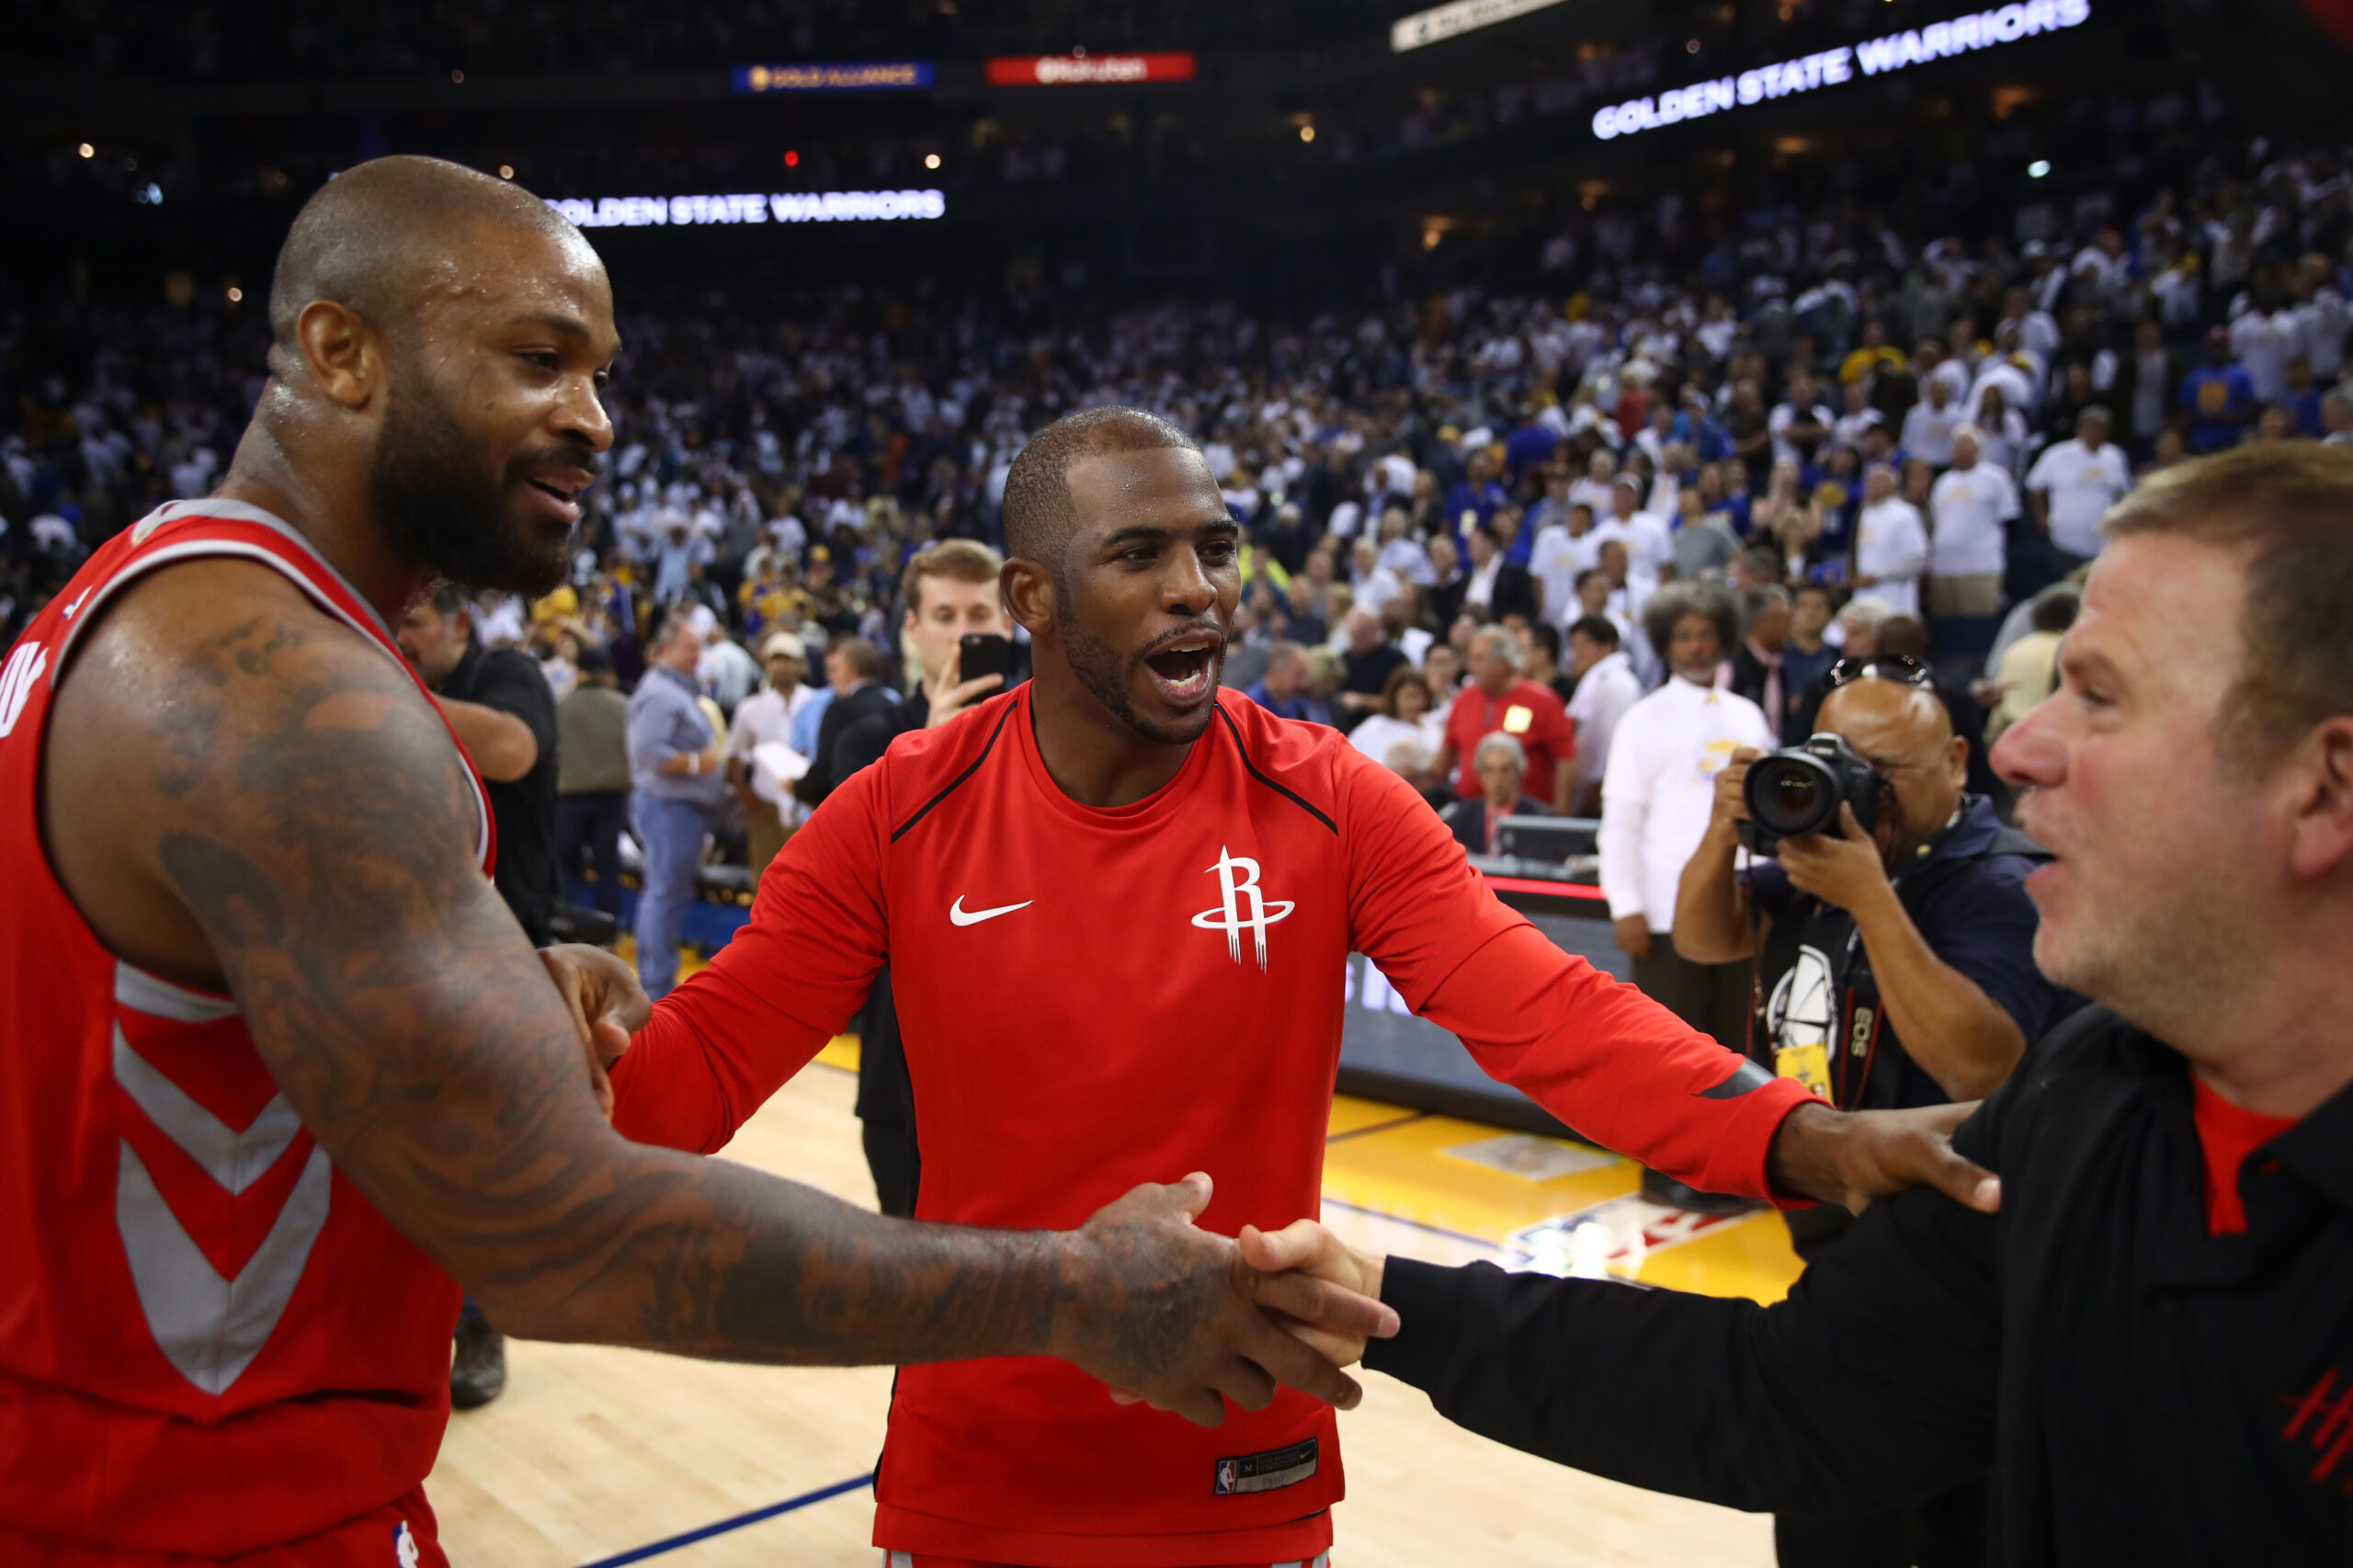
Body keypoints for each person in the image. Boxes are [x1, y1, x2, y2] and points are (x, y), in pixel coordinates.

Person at [0, 159, 1394, 1568]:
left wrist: (495, 1000)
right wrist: (1072, 1292)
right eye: (538, 360)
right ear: (339, 351)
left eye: (602, 372)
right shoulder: (273, 690)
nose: (594, 419)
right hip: (186, 1511)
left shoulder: (148, 606)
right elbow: (555, 1236)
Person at [560, 405, 1993, 1568]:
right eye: (1143, 554)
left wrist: (1798, 1134)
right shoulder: (898, 810)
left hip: (1243, 1460)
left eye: (1218, 547)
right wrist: (553, 1015)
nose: (1200, 586)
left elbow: (1545, 1009)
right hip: (976, 1472)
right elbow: (679, 1090)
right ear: (1033, 599)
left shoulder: (1325, 796)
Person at [1258, 442, 2353, 1568]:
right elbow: (1792, 1392)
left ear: (2322, 788)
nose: (2026, 748)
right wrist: (1384, 1298)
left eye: (2104, 698)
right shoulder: (2085, 1104)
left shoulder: (1992, 933)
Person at [1675, 655, 2076, 1565]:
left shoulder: (1998, 883)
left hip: (1972, 1295)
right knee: (1827, 1524)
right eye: (1844, 759)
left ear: (1958, 763)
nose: (1868, 790)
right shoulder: (1821, 859)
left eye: (1890, 768)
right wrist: (1721, 826)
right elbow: (1704, 934)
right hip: (1847, 1271)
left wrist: (1868, 894)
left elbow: (1986, 1060)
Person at [395, 580, 567, 1409]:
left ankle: (478, 1326)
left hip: (505, 944)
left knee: (476, 1158)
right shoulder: (396, 682)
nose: (403, 638)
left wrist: (374, 688)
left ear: (460, 623)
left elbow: (510, 751)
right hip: (416, 946)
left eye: (416, 624)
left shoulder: (506, 673)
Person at [1599, 582, 1776, 1055]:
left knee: (1740, 1048)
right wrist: (1625, 904)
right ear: (1664, 643)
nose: (1695, 646)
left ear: (1724, 639)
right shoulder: (1642, 718)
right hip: (1663, 909)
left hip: (1742, 903)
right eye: (1683, 636)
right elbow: (1620, 821)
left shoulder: (1748, 715)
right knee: (1672, 1050)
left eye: (1705, 634)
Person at [626, 611, 728, 1001]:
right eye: (689, 648)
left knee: (668, 892)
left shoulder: (674, 690)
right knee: (664, 893)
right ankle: (655, 986)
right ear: (666, 649)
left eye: (699, 648)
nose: (697, 656)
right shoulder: (658, 693)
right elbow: (648, 752)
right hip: (667, 806)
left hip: (678, 807)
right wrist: (698, 763)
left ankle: (657, 980)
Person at [1436, 625, 1576, 813]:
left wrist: (1561, 811)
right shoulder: (1463, 699)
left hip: (1526, 816)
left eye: (1479, 659)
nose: (1471, 666)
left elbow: (1565, 758)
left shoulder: (1543, 701)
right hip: (1471, 816)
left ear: (1502, 662)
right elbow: (1446, 755)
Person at [1927, 427, 2019, 667]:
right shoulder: (1943, 482)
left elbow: (2009, 519)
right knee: (1948, 627)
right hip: (1945, 566)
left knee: (1980, 624)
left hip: (1981, 564)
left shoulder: (1995, 477)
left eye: (1966, 445)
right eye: (1956, 445)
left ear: (1978, 449)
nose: (1960, 450)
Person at [725, 631, 813, 877]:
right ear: (767, 664)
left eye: (789, 660)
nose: (782, 666)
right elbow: (734, 756)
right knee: (766, 878)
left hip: (807, 806)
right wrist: (746, 797)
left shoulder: (816, 702)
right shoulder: (751, 708)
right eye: (776, 660)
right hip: (766, 806)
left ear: (801, 665)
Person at [555, 642, 631, 917]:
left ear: (579, 671)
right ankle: (609, 928)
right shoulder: (624, 706)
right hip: (612, 797)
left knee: (567, 866)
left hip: (569, 798)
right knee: (608, 867)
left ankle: (571, 926)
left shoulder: (561, 707)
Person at [2024, 405, 2132, 574]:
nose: (2097, 434)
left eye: (2102, 429)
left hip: (2102, 542)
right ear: (2080, 429)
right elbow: (2034, 486)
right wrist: (2042, 518)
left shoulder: (2115, 456)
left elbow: (2122, 492)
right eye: (2092, 428)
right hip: (2066, 540)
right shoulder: (2058, 454)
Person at [1563, 614, 1640, 815]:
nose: (1575, 654)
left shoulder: (1616, 684)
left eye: (1583, 645)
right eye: (1574, 646)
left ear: (1607, 646)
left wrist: (1597, 785)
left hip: (1603, 791)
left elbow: (1612, 742)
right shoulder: (1599, 681)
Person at [1440, 733, 1551, 857]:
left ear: (1520, 772)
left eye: (1505, 770)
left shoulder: (1540, 819)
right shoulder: (1461, 816)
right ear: (1480, 774)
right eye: (1490, 770)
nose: (1498, 779)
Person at [1851, 462, 1929, 619]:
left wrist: (1878, 576)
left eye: (1876, 481)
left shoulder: (1905, 513)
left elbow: (1918, 559)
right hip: (1865, 599)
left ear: (1892, 485)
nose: (1870, 486)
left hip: (1896, 599)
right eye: (1868, 481)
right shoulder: (1867, 513)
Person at [1347, 665, 1445, 768]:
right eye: (1409, 696)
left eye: (1421, 696)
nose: (1416, 703)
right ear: (1394, 697)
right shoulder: (1375, 726)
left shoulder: (1432, 724)